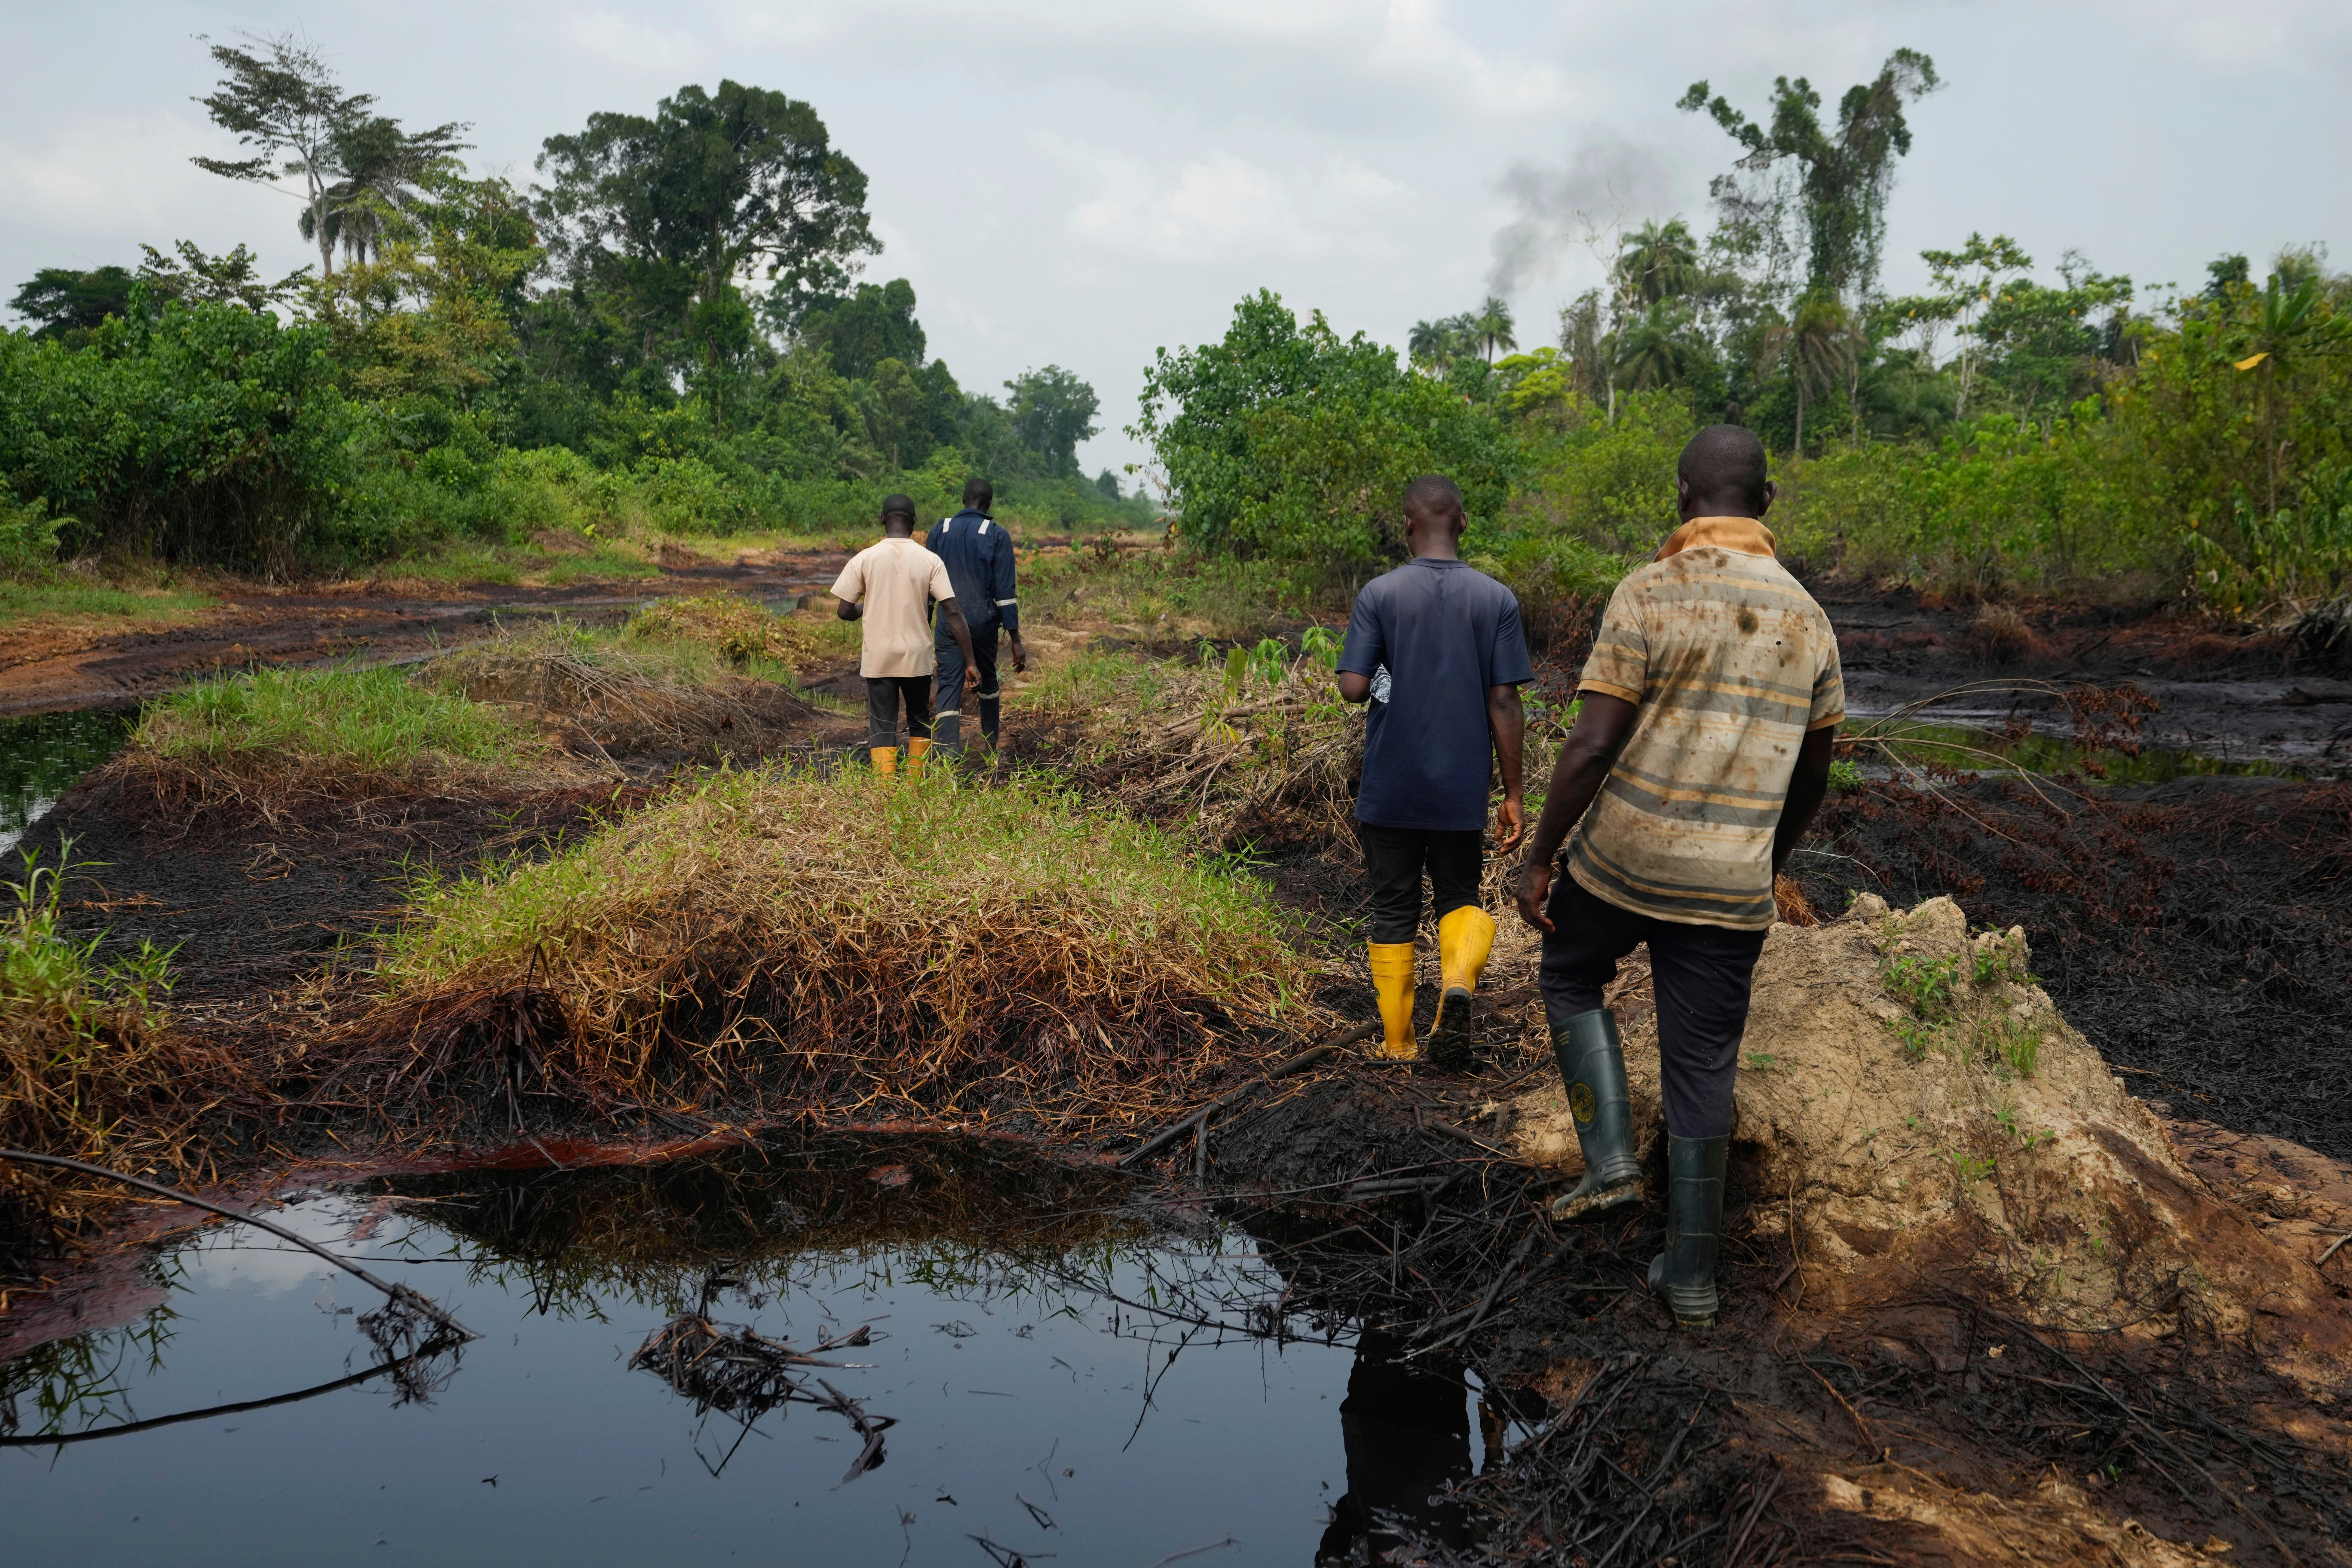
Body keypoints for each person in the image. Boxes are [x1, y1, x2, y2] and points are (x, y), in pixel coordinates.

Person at [1512, 424, 1842, 1330]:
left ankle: (1610, 1158)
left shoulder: (1649, 593)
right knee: (1704, 1063)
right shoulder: (1810, 619)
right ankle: (1692, 1276)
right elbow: (1813, 775)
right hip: (1728, 884)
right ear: (1768, 504)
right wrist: (1768, 865)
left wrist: (1541, 860)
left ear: (1682, 498)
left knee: (1571, 970)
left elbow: (1590, 746)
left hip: (1622, 861)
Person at [1338, 475, 1532, 1063]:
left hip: (1391, 787)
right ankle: (1457, 986)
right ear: (1463, 523)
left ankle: (1398, 1044)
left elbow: (1351, 688)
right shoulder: (1496, 599)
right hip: (1460, 788)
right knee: (1458, 897)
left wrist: (1391, 680)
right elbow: (1504, 703)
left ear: (1407, 526)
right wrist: (1515, 793)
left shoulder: (1380, 593)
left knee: (1394, 904)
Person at [832, 493, 979, 778]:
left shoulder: (865, 558)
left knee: (883, 723)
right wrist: (970, 661)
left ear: (882, 519)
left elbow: (844, 611)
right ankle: (914, 787)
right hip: (917, 657)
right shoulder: (930, 560)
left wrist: (870, 605)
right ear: (914, 522)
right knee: (919, 720)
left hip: (879, 657)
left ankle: (886, 789)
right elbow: (953, 611)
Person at [926, 477, 1028, 757]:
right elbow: (1005, 593)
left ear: (963, 499)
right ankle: (991, 747)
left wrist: (926, 621)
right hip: (983, 625)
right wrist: (1016, 639)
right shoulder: (996, 534)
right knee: (988, 680)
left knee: (948, 684)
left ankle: (948, 753)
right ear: (990, 504)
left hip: (948, 624)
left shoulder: (940, 530)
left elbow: (928, 586)